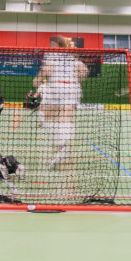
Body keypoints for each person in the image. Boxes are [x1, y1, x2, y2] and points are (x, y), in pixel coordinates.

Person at [34, 35, 88, 169]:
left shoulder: (51, 55)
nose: (51, 46)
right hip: (72, 87)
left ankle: (62, 147)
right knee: (64, 118)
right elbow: (84, 72)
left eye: (52, 44)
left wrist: (38, 79)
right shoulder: (72, 56)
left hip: (57, 87)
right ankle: (63, 146)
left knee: (51, 117)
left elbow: (47, 69)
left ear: (57, 45)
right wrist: (78, 77)